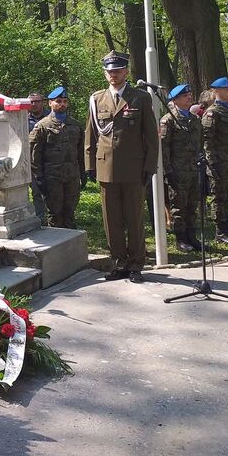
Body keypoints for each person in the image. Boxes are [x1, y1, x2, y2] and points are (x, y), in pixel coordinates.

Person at [84, 51, 158, 283]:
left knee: (134, 219)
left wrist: (150, 167)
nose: (113, 75)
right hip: (106, 169)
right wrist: (89, 165)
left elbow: (151, 137)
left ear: (126, 72)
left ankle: (136, 264)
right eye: (109, 71)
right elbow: (91, 136)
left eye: (117, 70)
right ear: (105, 73)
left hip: (134, 169)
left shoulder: (140, 98)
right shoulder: (97, 100)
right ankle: (118, 262)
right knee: (111, 220)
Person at [28, 87, 86, 228]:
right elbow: (35, 154)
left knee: (70, 212)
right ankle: (57, 245)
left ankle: (71, 245)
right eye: (58, 101)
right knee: (55, 214)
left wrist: (83, 173)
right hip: (52, 178)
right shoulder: (42, 126)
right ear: (50, 103)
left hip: (72, 176)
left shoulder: (75, 125)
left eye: (65, 101)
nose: (62, 104)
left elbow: (81, 152)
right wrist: (39, 178)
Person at [160, 84, 203, 252]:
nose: (189, 97)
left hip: (193, 169)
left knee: (192, 205)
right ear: (175, 100)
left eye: (190, 94)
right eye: (185, 95)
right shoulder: (168, 120)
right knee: (178, 206)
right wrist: (167, 171)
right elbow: (164, 148)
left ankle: (192, 236)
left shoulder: (194, 119)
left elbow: (200, 142)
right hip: (177, 171)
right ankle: (181, 238)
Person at [201, 77, 228, 244]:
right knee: (218, 198)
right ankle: (220, 231)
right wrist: (212, 163)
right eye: (226, 89)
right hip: (219, 163)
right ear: (216, 91)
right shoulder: (212, 112)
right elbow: (207, 140)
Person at [27, 92, 48, 223]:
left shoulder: (50, 117)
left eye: (36, 101)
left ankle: (55, 218)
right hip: (32, 162)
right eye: (31, 102)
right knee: (36, 192)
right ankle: (41, 219)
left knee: (51, 192)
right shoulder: (23, 118)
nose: (34, 104)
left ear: (43, 102)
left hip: (50, 160)